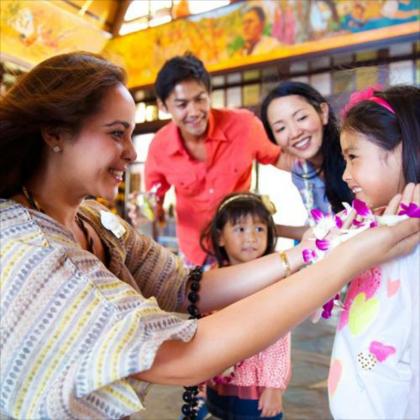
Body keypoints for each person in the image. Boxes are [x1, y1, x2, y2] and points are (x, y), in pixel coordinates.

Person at [0, 52, 418, 420]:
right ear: (54, 133)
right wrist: (343, 258)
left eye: (130, 133)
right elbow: (186, 356)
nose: (131, 152)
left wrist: (305, 254)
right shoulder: (29, 251)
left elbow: (184, 285)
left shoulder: (94, 220)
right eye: (115, 133)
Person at [145, 53, 292, 267]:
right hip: (196, 254)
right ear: (163, 106)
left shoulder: (244, 125)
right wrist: (145, 211)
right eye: (182, 104)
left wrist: (321, 165)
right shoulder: (159, 146)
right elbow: (153, 204)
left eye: (200, 99)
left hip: (242, 248)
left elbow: (280, 158)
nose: (194, 112)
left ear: (209, 94)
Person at [327, 85, 420, 419]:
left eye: (353, 157)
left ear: (402, 150)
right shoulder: (380, 226)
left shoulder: (407, 231)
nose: (345, 174)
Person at [201, 193, 290, 419]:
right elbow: (201, 331)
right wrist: (198, 378)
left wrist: (274, 387)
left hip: (257, 391)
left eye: (259, 229)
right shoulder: (212, 277)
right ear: (220, 237)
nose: (251, 237)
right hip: (217, 383)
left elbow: (279, 339)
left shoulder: (272, 279)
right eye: (240, 229)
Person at [260, 81, 353, 236]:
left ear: (323, 113)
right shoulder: (300, 172)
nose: (295, 133)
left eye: (301, 118)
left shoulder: (353, 154)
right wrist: (268, 228)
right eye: (281, 128)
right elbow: (323, 230)